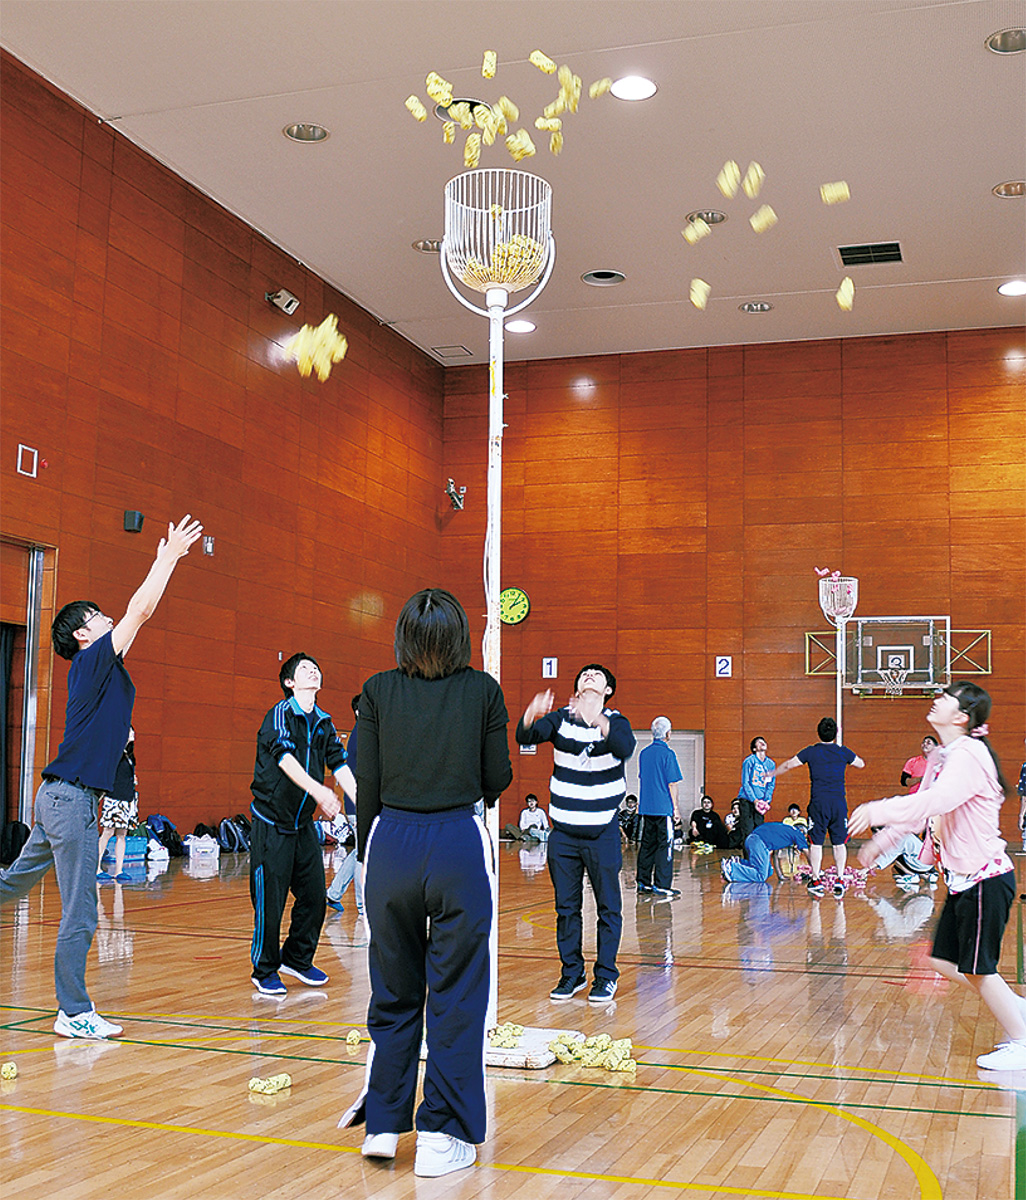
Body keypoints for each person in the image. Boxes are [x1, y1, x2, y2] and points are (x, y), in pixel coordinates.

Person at [0, 515, 203, 1039]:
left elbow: (133, 619)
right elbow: (142, 609)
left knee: (12, 884)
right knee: (82, 910)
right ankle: (73, 1011)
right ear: (83, 634)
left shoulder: (102, 666)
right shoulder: (91, 661)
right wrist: (168, 558)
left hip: (60, 797)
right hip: (70, 801)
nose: (108, 616)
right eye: (96, 614)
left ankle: (73, 1007)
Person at [340, 588, 511, 1177]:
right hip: (457, 843)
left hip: (389, 844)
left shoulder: (378, 690)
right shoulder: (484, 691)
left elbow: (369, 783)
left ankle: (384, 1124)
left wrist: (367, 857)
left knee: (392, 989)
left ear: (403, 637)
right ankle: (441, 1136)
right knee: (458, 994)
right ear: (461, 637)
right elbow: (495, 781)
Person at [850, 682, 1026, 1071]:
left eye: (946, 698)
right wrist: (884, 842)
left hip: (986, 878)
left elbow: (937, 801)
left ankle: (1022, 1040)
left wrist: (879, 810)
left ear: (962, 716)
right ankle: (1016, 1008)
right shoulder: (944, 757)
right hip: (963, 880)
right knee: (944, 962)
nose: (937, 700)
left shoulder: (969, 755)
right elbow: (920, 813)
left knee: (979, 969)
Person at [516, 663, 635, 1004]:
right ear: (577, 686)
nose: (589, 676)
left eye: (597, 676)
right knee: (566, 909)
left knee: (608, 908)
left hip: (602, 833)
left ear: (608, 690)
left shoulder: (616, 721)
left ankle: (606, 976)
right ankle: (572, 974)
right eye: (584, 674)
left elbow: (624, 746)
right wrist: (532, 712)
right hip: (563, 834)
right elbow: (526, 736)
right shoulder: (559, 719)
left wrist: (595, 718)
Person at [248, 653, 355, 996]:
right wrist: (319, 792)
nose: (313, 670)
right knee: (271, 900)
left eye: (316, 667)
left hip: (303, 825)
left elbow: (339, 764)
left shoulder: (323, 722)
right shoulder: (280, 714)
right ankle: (264, 969)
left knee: (313, 897)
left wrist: (364, 803)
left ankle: (296, 958)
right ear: (290, 683)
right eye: (304, 668)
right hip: (271, 822)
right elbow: (284, 760)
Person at [771, 717, 864, 898]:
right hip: (838, 803)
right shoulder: (842, 751)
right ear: (836, 733)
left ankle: (815, 880)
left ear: (818, 732)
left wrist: (772, 773)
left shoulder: (811, 752)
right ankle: (840, 879)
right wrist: (845, 757)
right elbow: (861, 763)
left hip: (818, 803)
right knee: (839, 843)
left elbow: (790, 764)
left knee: (816, 843)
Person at [635, 717, 683, 897]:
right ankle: (662, 885)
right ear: (668, 733)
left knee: (647, 845)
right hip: (663, 809)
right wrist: (675, 808)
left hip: (647, 808)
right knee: (665, 846)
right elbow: (672, 783)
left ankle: (643, 882)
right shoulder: (668, 754)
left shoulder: (644, 753)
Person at [327, 694, 364, 915]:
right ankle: (362, 905)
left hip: (356, 805)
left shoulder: (361, 733)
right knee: (364, 854)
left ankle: (333, 893)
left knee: (360, 851)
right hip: (359, 805)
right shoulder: (363, 735)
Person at [96, 729, 138, 883]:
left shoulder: (131, 755)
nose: (132, 734)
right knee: (107, 832)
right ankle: (97, 868)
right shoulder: (114, 754)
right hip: (114, 798)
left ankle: (119, 870)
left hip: (128, 798)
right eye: (129, 731)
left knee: (122, 835)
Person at [721, 820, 809, 883]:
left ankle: (740, 862)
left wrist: (780, 876)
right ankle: (732, 868)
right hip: (759, 842)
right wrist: (815, 872)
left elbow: (776, 855)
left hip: (752, 839)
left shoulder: (786, 831)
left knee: (768, 872)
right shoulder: (798, 833)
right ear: (801, 830)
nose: (804, 838)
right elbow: (807, 852)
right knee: (761, 876)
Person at [739, 736, 776, 818]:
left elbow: (770, 784)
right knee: (748, 828)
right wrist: (754, 800)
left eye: (763, 741)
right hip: (747, 800)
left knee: (759, 827)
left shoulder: (771, 764)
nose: (762, 742)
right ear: (754, 748)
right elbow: (745, 782)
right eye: (759, 742)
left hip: (761, 801)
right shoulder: (749, 761)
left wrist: (767, 800)